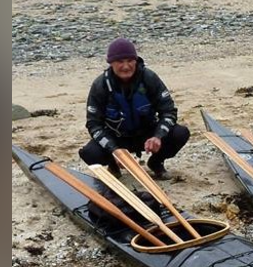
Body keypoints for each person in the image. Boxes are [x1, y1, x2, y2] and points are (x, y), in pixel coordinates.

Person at [79, 38, 189, 179]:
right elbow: (94, 125)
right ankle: (113, 165)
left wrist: (158, 136)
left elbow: (168, 111)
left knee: (180, 133)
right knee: (89, 153)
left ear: (136, 60)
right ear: (111, 63)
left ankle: (156, 163)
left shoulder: (149, 78)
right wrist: (114, 150)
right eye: (120, 62)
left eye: (130, 61)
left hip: (146, 134)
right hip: (117, 137)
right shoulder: (100, 85)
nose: (126, 66)